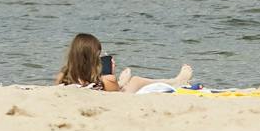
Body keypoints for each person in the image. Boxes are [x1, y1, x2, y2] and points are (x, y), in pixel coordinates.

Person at [54, 33, 193, 93]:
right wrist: (112, 74)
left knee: (122, 83)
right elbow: (115, 93)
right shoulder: (105, 79)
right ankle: (176, 81)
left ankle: (123, 81)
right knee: (136, 80)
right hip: (113, 92)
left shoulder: (63, 76)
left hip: (101, 88)